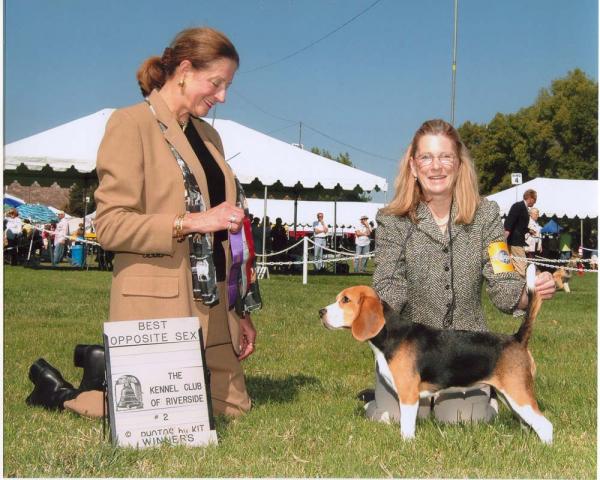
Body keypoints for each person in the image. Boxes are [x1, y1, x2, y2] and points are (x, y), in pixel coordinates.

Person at [26, 27, 257, 418]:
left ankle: (102, 364)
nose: (222, 97)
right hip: (159, 298)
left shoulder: (210, 137)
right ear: (184, 69)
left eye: (227, 86)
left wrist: (239, 309)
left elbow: (225, 234)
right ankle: (61, 393)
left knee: (234, 411)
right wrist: (191, 222)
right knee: (153, 414)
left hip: (214, 298)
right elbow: (112, 225)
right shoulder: (130, 124)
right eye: (216, 83)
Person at [366, 119, 555, 425]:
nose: (436, 167)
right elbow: (389, 282)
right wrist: (369, 313)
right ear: (413, 166)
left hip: (467, 354)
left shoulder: (486, 216)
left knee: (463, 420)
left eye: (445, 157)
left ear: (459, 164)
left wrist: (526, 295)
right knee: (390, 417)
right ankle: (379, 396)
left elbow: (501, 276)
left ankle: (487, 396)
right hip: (410, 350)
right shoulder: (392, 220)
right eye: (426, 157)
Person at [504, 189, 537, 277]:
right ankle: (521, 285)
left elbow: (519, 225)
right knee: (522, 265)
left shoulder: (524, 208)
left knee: (515, 264)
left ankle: (515, 284)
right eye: (535, 200)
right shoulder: (518, 206)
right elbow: (510, 220)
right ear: (530, 198)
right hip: (515, 241)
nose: (535, 202)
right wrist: (506, 234)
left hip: (517, 240)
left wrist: (528, 230)